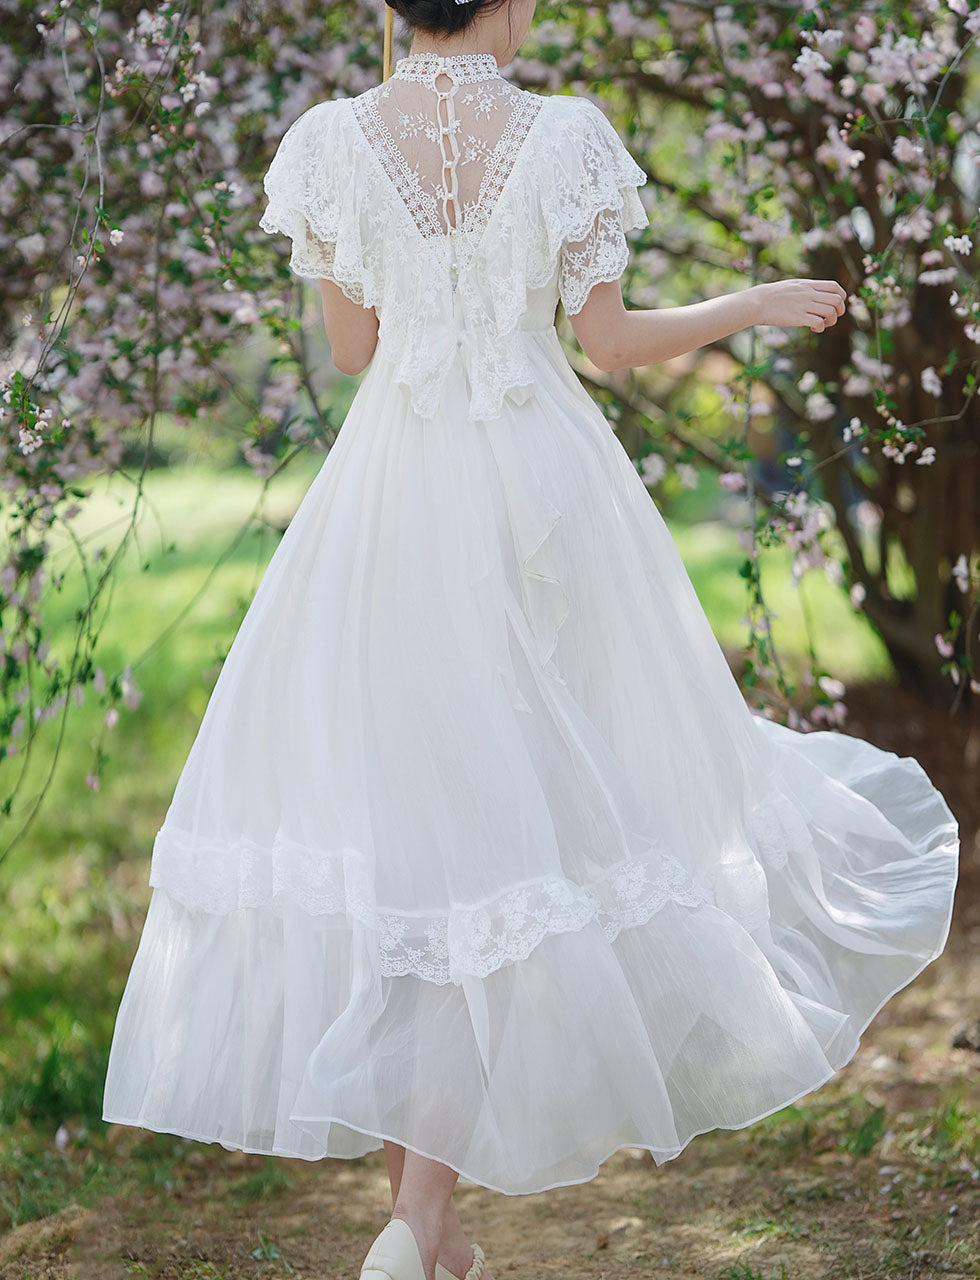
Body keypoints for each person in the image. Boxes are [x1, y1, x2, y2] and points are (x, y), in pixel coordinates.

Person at [101, 3, 961, 1280]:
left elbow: (353, 351)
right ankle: (423, 1225)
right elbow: (606, 344)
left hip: (390, 498)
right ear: (502, 7)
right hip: (542, 497)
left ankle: (422, 1219)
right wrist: (754, 301)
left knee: (416, 837)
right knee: (495, 844)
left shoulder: (330, 139)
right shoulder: (562, 134)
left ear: (395, 12)